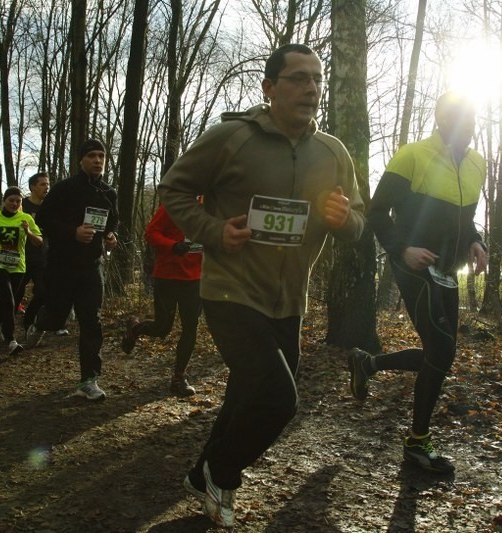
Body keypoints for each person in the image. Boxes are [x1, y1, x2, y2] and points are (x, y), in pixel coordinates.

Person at [158, 43, 365, 528]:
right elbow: (174, 189)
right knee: (278, 398)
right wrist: (213, 231)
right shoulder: (232, 137)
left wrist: (343, 220)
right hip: (230, 291)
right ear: (269, 87)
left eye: (317, 78)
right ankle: (223, 471)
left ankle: (200, 472)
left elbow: (358, 219)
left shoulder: (332, 151)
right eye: (298, 78)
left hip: (289, 299)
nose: (311, 88)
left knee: (247, 393)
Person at [349, 91, 488, 474]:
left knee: (438, 352)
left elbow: (465, 220)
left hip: (447, 270)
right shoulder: (412, 155)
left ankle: (368, 363)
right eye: (459, 118)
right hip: (413, 265)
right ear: (441, 121)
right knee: (442, 352)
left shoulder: (478, 163)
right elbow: (377, 212)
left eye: (472, 119)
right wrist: (402, 250)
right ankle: (417, 444)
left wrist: (477, 241)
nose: (468, 127)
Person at [26, 139, 118, 401]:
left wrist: (111, 235)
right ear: (81, 160)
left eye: (101, 156)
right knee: (56, 319)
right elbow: (42, 219)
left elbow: (113, 222)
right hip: (61, 266)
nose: (98, 160)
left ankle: (89, 380)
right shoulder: (64, 189)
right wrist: (72, 232)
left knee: (92, 321)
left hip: (91, 266)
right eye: (92, 156)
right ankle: (40, 322)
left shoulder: (108, 193)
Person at [120, 203, 202, 397]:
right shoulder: (172, 206)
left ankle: (179, 378)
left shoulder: (211, 207)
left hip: (196, 278)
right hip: (168, 276)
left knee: (191, 327)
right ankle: (135, 329)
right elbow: (150, 234)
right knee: (162, 328)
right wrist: (173, 245)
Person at [0, 186, 43, 356]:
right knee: (8, 301)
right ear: (4, 202)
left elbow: (39, 241)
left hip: (18, 266)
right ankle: (11, 340)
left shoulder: (26, 218)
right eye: (11, 200)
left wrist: (28, 232)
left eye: (18, 201)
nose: (14, 204)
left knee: (7, 302)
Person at [14, 172, 52, 332]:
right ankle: (3, 325)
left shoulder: (51, 207)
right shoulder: (22, 207)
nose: (47, 188)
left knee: (43, 292)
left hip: (42, 258)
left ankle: (28, 322)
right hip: (21, 258)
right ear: (32, 187)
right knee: (15, 295)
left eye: (48, 184)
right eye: (43, 184)